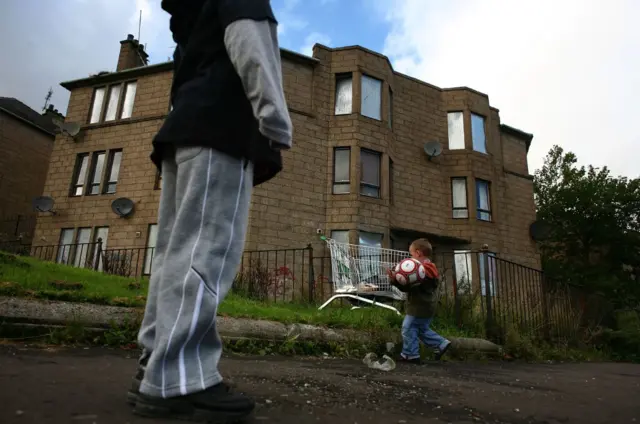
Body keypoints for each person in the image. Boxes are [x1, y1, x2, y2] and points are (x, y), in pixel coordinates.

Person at [127, 0, 292, 422]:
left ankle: (155, 363)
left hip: (184, 127)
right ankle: (180, 378)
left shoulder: (191, 12)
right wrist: (274, 118)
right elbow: (250, 37)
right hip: (222, 127)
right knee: (206, 252)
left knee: (172, 255)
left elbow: (183, 74)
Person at [388, 238, 452, 364]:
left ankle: (410, 354)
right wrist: (395, 279)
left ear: (418, 253)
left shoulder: (421, 270)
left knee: (408, 327)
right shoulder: (428, 269)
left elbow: (408, 287)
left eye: (411, 254)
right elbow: (408, 287)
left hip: (419, 306)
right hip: (428, 305)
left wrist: (396, 279)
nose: (410, 257)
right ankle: (441, 343)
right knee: (421, 329)